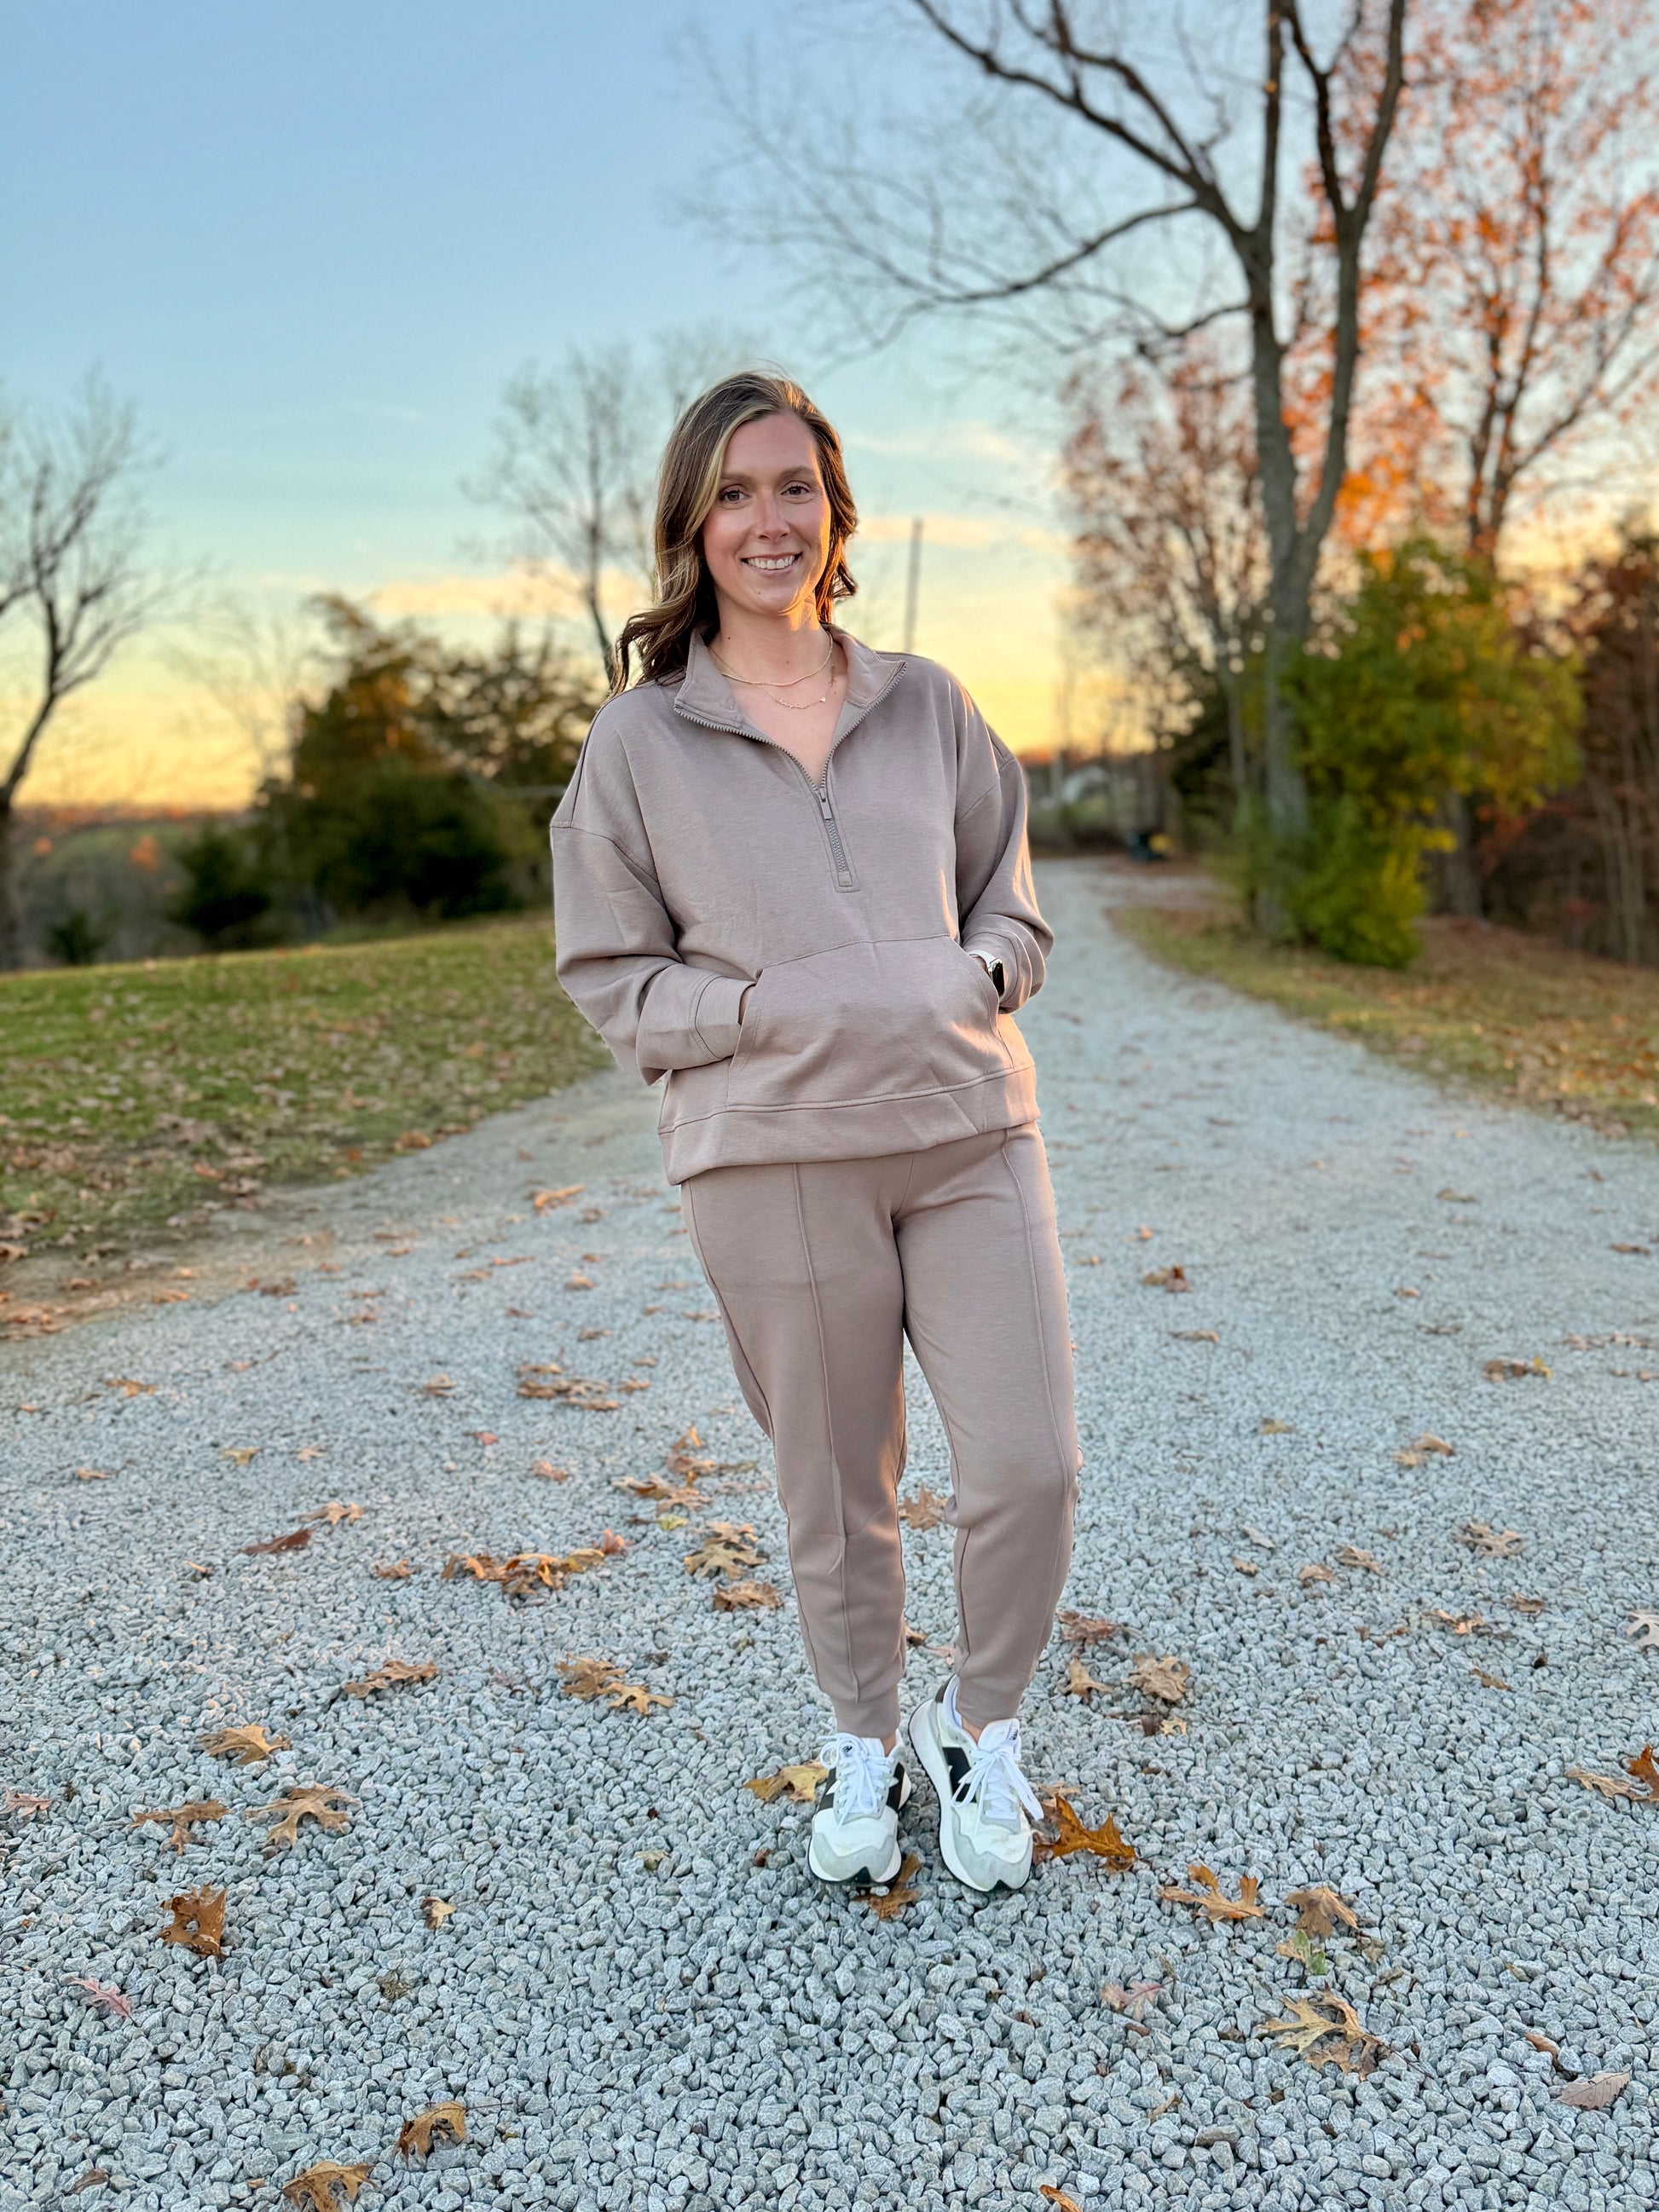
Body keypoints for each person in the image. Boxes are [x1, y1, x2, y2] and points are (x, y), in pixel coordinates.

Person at [550, 371, 1080, 1894]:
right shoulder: (637, 743)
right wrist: (762, 1012)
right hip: (771, 1157)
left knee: (1030, 1464)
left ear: (834, 512)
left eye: (792, 486)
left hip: (967, 1131)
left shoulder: (927, 702)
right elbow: (610, 973)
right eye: (732, 493)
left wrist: (974, 976)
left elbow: (1009, 901)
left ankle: (976, 1726)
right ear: (690, 524)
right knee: (836, 1491)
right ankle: (860, 1734)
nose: (766, 520)